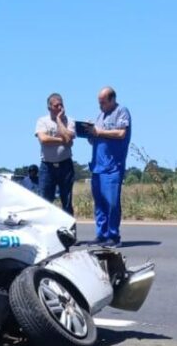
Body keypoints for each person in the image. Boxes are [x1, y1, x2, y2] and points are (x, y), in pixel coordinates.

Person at [86, 87, 131, 247]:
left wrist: (100, 132)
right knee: (100, 203)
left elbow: (121, 134)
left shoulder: (122, 111)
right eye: (99, 103)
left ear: (112, 100)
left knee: (112, 203)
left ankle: (113, 235)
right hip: (97, 167)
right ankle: (102, 234)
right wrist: (90, 133)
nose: (100, 106)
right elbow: (95, 137)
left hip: (112, 167)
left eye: (103, 102)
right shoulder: (100, 116)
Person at [33, 92, 76, 214]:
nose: (60, 108)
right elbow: (44, 139)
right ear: (49, 107)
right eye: (56, 106)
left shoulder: (70, 121)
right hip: (47, 167)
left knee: (66, 201)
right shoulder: (42, 121)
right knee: (45, 201)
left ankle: (69, 231)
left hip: (65, 165)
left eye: (61, 105)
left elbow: (69, 140)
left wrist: (59, 120)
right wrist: (61, 140)